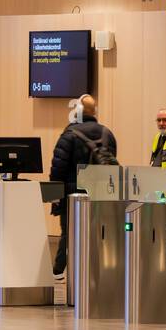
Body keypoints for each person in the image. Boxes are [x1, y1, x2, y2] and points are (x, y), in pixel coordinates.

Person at [48, 94, 117, 278]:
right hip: (100, 194)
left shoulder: (69, 135)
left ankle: (58, 271)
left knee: (68, 233)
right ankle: (96, 270)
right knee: (97, 232)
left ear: (76, 111)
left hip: (73, 194)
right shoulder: (107, 134)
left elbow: (58, 169)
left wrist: (54, 198)